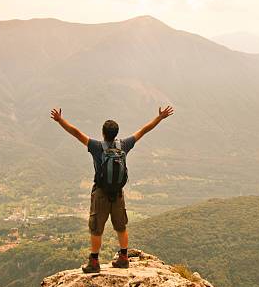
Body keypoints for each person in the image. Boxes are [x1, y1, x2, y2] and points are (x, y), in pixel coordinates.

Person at [50, 106, 174, 273]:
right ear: (116, 133)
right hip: (118, 194)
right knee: (121, 227)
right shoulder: (124, 145)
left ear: (103, 133)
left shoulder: (96, 146)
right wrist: (160, 118)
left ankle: (94, 262)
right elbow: (144, 130)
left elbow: (76, 132)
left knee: (96, 228)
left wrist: (60, 120)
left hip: (101, 193)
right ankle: (124, 258)